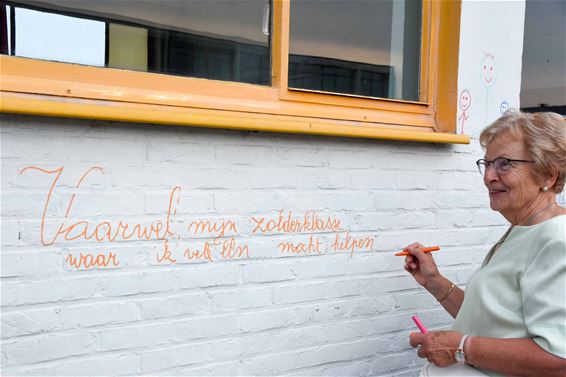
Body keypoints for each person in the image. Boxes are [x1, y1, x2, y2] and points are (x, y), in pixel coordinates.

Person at [404, 111, 566, 377]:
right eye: (488, 163)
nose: (488, 176)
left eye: (504, 164)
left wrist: (460, 348)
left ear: (548, 175)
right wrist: (435, 281)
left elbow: (559, 357)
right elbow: (493, 323)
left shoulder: (557, 240)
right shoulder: (524, 229)